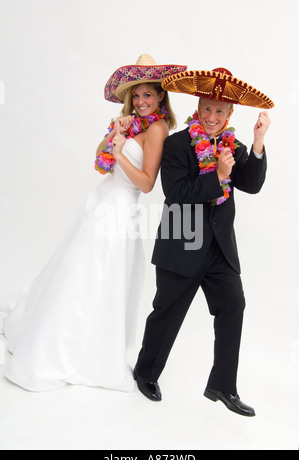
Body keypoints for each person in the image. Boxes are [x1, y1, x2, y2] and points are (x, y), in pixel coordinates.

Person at [0, 54, 187, 392]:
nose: (142, 101)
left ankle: (83, 351)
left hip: (119, 212)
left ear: (161, 96)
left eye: (148, 94)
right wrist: (113, 137)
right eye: (137, 95)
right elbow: (100, 164)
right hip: (101, 202)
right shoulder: (132, 124)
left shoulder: (157, 129)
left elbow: (146, 184)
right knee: (77, 272)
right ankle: (52, 334)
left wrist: (119, 154)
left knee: (99, 276)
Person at [134, 67, 274, 417]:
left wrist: (257, 143)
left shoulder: (233, 144)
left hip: (219, 249)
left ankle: (223, 386)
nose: (213, 117)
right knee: (167, 312)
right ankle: (145, 373)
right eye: (207, 109)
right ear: (198, 109)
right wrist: (219, 176)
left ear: (230, 115)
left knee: (233, 306)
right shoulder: (177, 144)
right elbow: (176, 194)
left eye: (220, 111)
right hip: (182, 239)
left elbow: (252, 184)